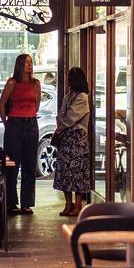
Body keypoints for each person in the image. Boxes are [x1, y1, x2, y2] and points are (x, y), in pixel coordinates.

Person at [0, 53, 40, 215]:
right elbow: (2, 105)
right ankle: (11, 203)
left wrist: (28, 114)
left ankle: (27, 203)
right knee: (12, 165)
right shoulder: (12, 83)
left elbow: (36, 105)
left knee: (30, 165)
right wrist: (7, 123)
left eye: (31, 62)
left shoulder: (36, 84)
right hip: (14, 124)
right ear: (19, 65)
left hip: (31, 124)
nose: (29, 65)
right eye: (26, 63)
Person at [53, 66, 92, 217]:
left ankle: (77, 204)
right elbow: (62, 115)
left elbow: (69, 118)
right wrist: (63, 120)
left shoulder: (82, 97)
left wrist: (62, 122)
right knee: (64, 172)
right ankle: (68, 203)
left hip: (77, 139)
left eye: (70, 78)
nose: (68, 81)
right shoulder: (68, 96)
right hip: (67, 139)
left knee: (77, 173)